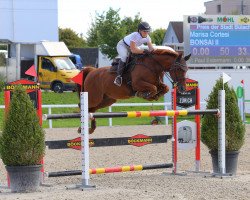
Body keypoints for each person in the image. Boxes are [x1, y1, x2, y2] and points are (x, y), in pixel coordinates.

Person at [114, 21, 154, 86]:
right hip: (122, 45)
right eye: (144, 31)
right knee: (124, 56)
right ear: (140, 31)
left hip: (132, 47)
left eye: (147, 31)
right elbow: (133, 50)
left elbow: (151, 49)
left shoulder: (148, 37)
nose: (146, 33)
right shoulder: (135, 35)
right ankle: (118, 77)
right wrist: (144, 51)